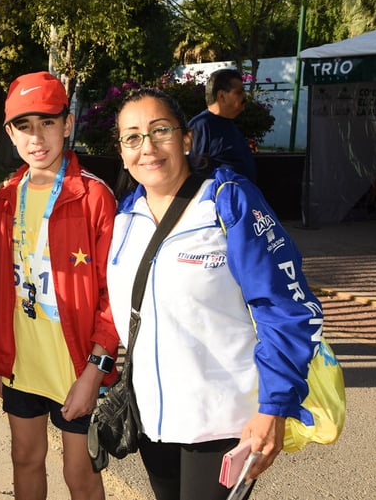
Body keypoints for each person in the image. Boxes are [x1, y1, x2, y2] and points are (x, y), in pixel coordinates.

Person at [106, 88, 321, 500]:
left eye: (160, 131)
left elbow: (286, 308)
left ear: (186, 140)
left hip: (226, 422)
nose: (146, 147)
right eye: (132, 137)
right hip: (154, 422)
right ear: (121, 150)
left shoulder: (228, 202)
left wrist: (273, 408)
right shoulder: (125, 218)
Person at [0, 71, 119, 500]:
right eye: (23, 125)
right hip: (23, 364)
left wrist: (93, 372)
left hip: (75, 366)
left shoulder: (95, 197)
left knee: (80, 474)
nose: (36, 136)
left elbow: (112, 296)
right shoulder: (4, 198)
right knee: (25, 459)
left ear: (68, 123)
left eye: (47, 121)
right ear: (9, 132)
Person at [188, 68, 257, 182]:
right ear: (221, 96)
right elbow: (194, 171)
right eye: (239, 92)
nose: (245, 97)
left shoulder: (229, 123)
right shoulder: (201, 126)